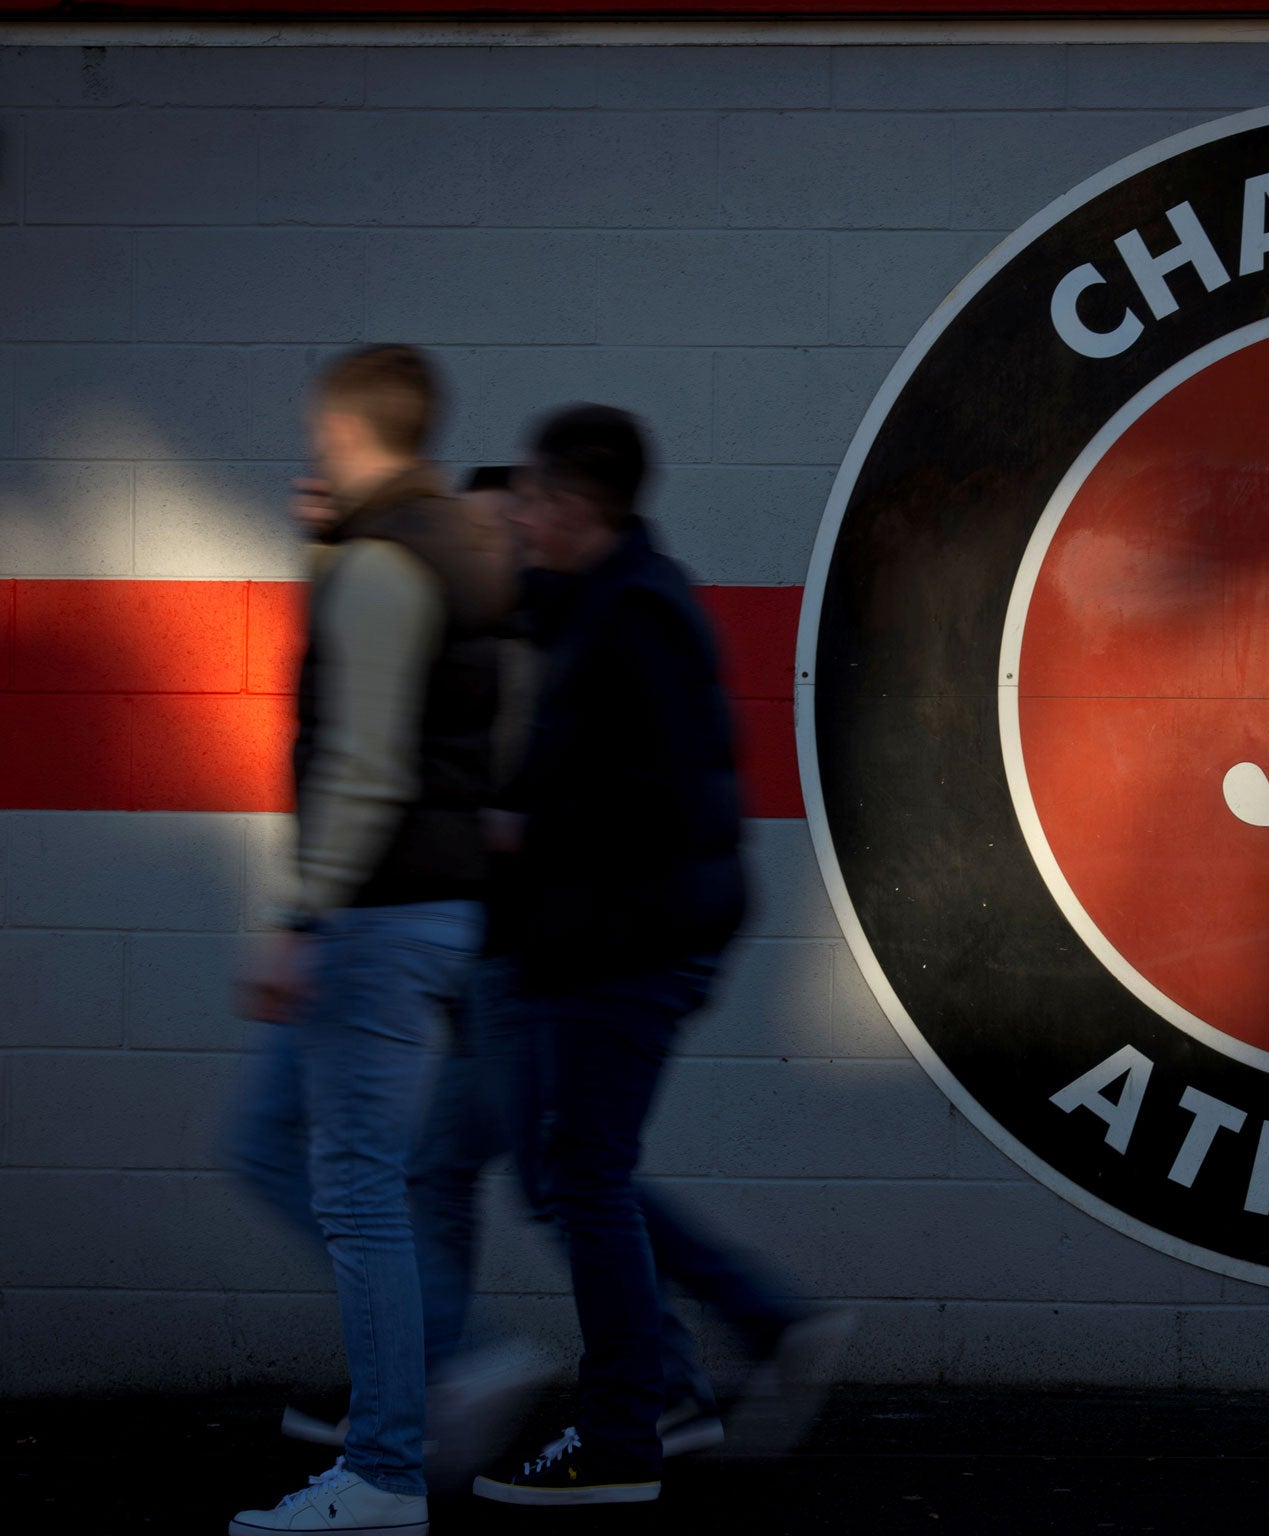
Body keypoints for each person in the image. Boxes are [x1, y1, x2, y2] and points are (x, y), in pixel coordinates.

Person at [471, 405, 851, 1508]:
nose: (521, 516)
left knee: (579, 1178)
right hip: (604, 944)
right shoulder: (593, 599)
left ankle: (625, 1431)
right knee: (574, 1174)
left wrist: (523, 828)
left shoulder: (637, 617)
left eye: (535, 500)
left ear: (578, 507)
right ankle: (712, 1361)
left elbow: (658, 805)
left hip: (629, 951)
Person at [227, 346, 510, 1536]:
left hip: (380, 914)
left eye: (320, 432)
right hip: (433, 910)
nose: (312, 451)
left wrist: (304, 915)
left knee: (354, 1189)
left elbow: (362, 754)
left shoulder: (387, 564)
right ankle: (449, 1366)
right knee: (277, 1147)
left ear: (348, 428)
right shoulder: (433, 545)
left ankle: (389, 1465)